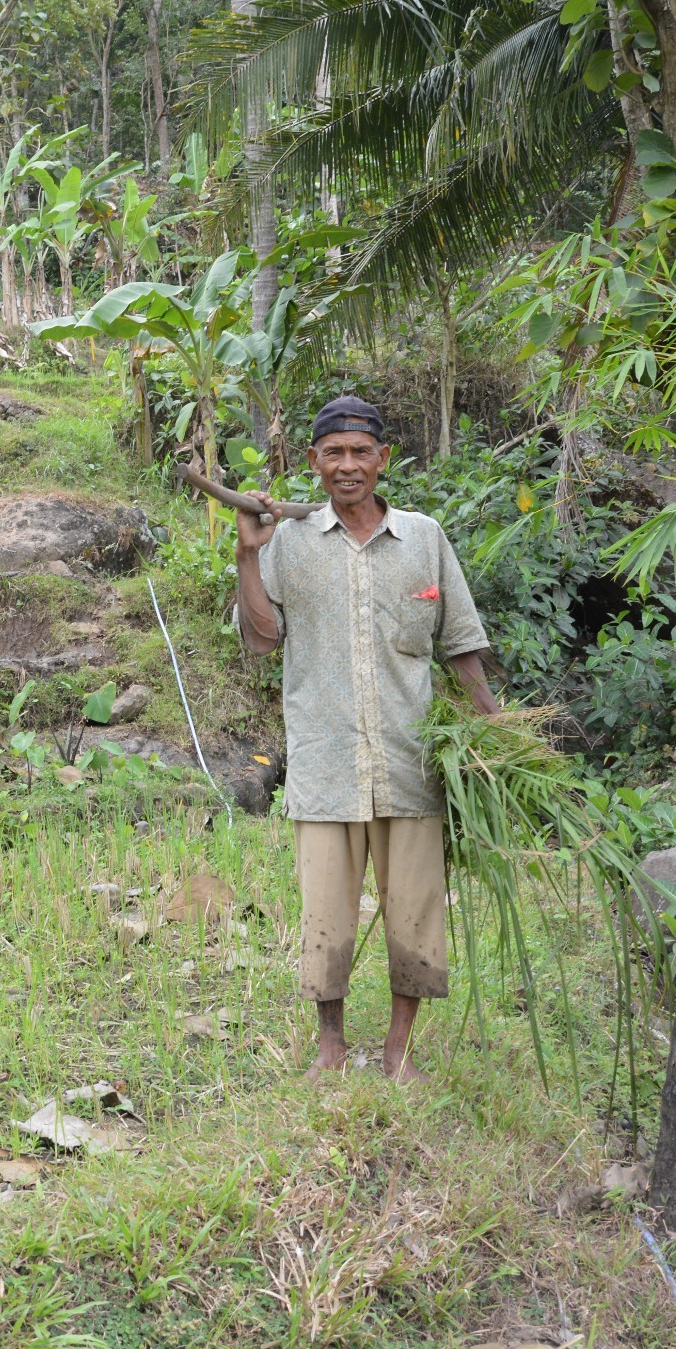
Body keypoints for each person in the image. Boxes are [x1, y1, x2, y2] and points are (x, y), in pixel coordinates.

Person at [234, 395, 500, 1083]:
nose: (347, 465)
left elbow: (461, 644)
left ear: (383, 460)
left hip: (412, 762)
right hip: (326, 763)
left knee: (414, 911)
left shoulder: (424, 539)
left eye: (360, 452)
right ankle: (330, 1044)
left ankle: (398, 1048)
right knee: (325, 909)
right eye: (333, 453)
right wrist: (247, 552)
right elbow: (261, 641)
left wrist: (498, 731)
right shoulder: (289, 543)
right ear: (314, 463)